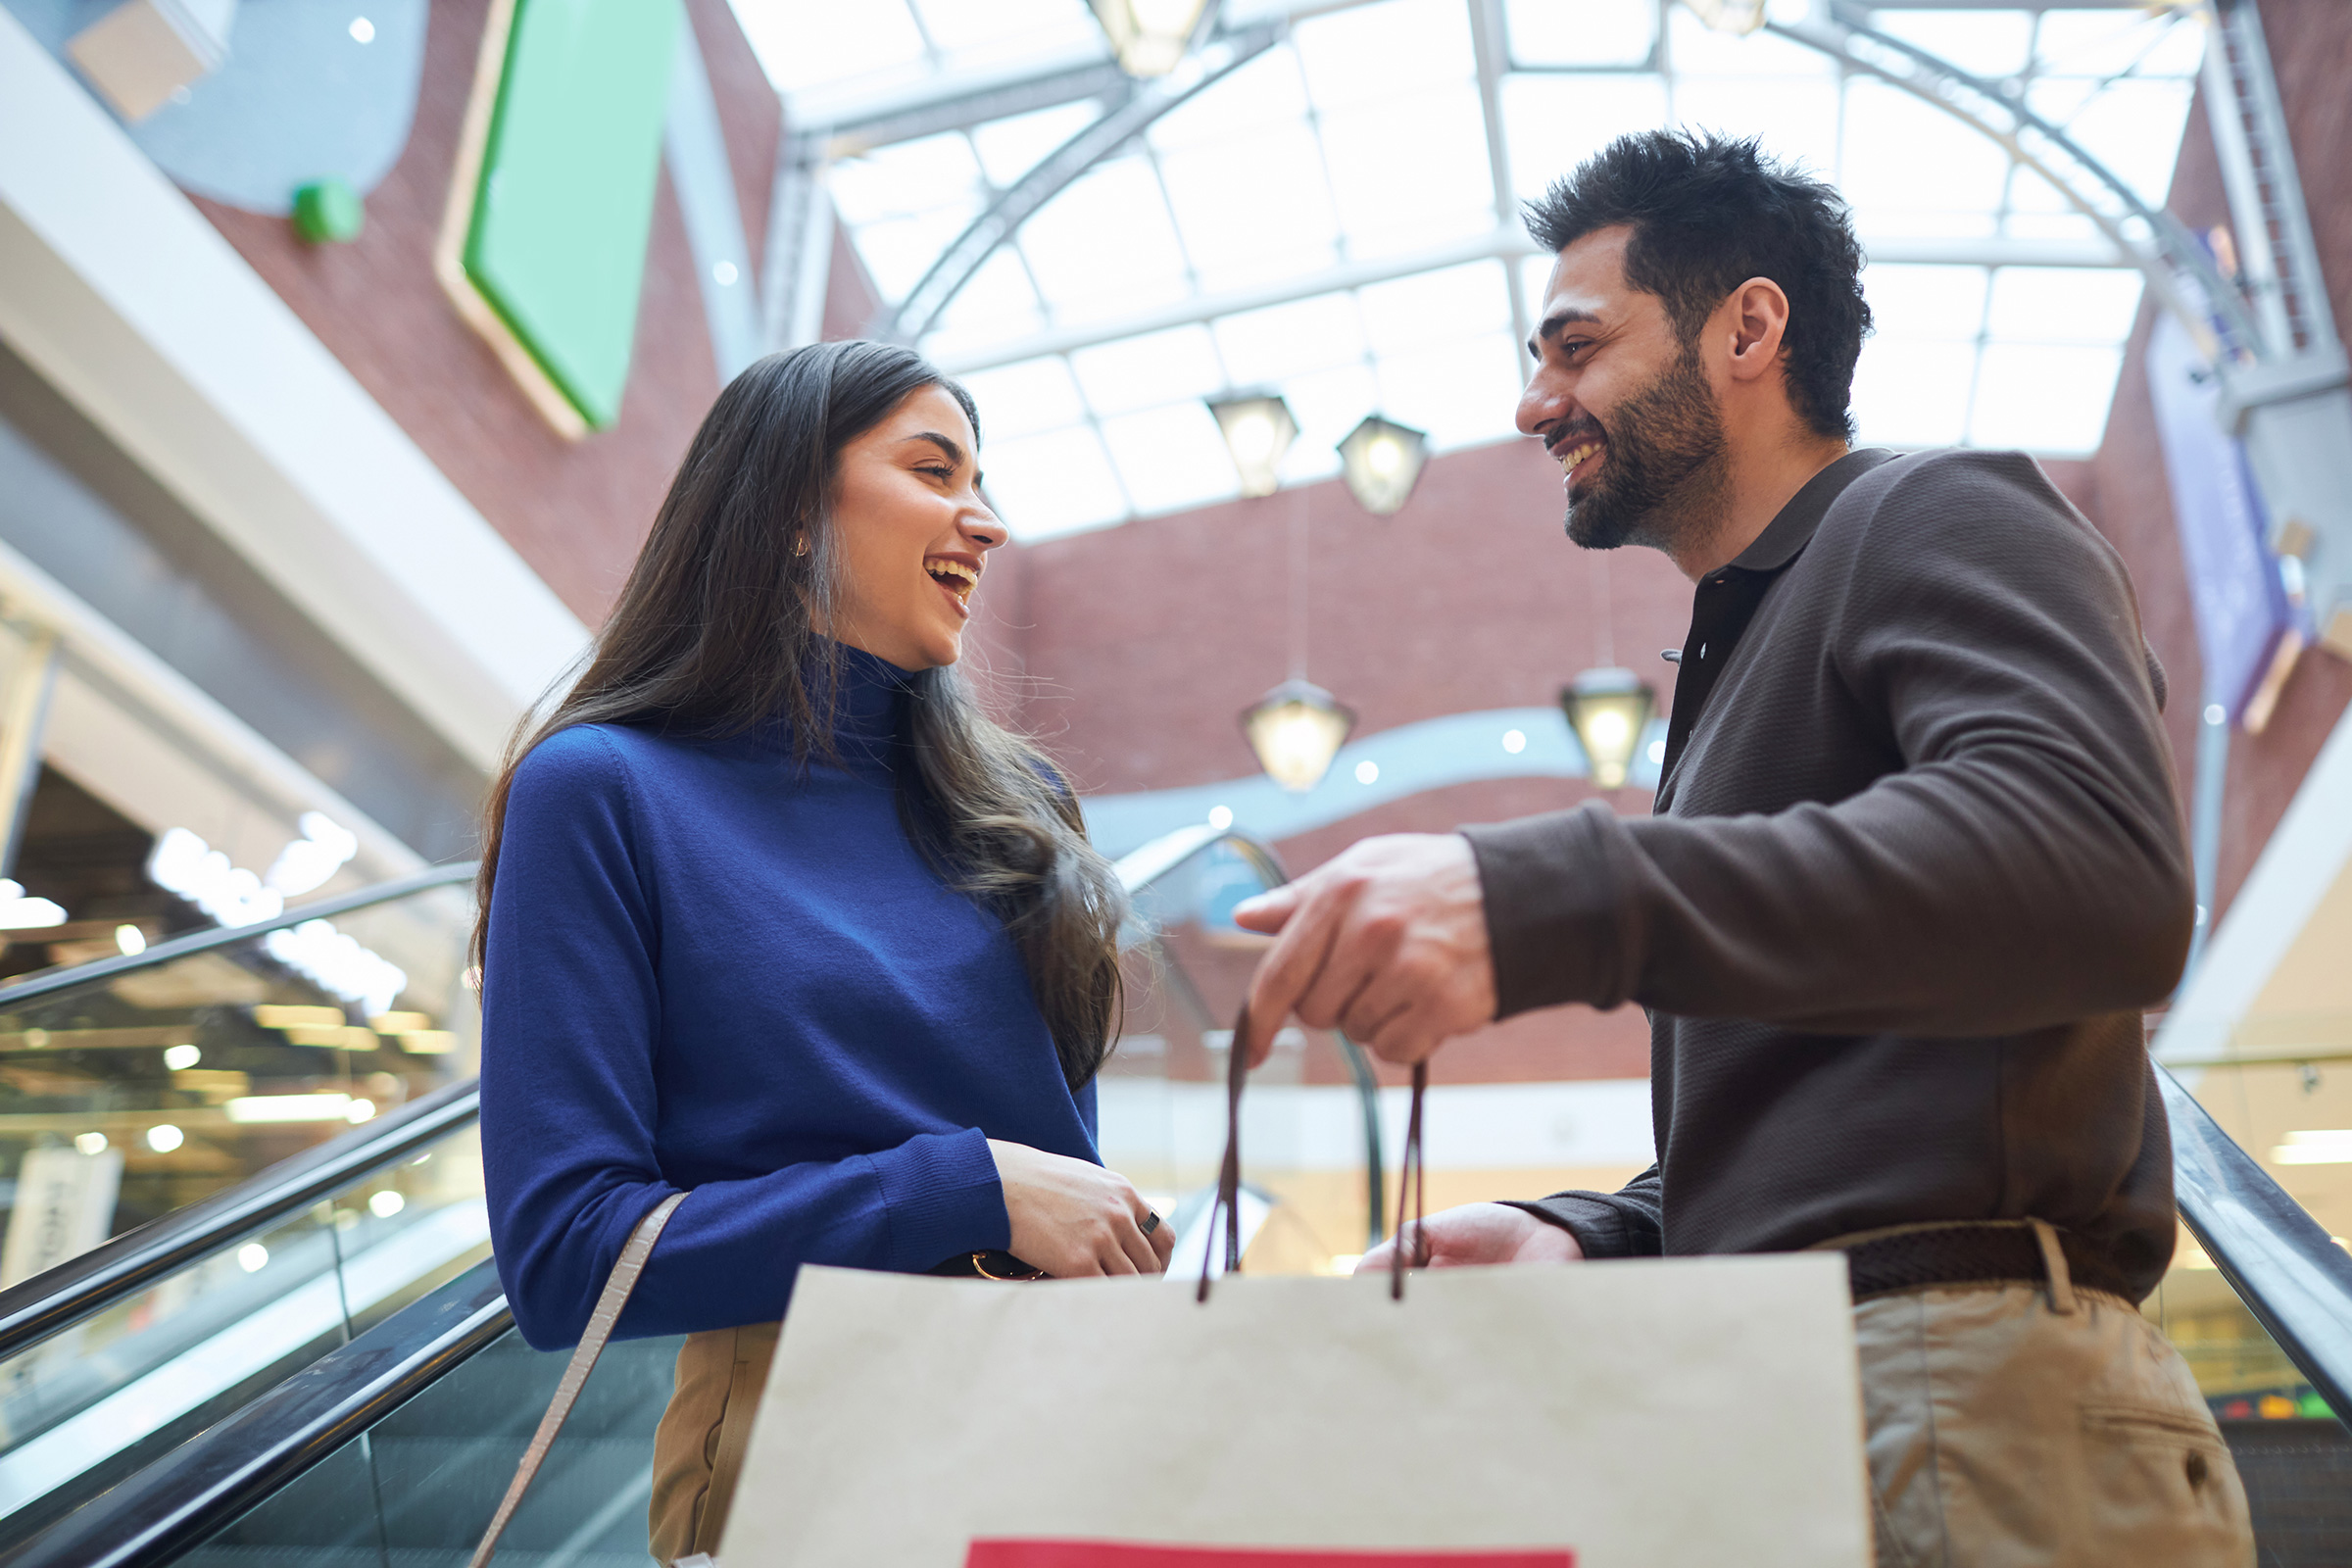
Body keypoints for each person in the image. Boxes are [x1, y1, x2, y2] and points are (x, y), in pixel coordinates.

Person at [1233, 131, 2254, 1566]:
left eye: (1577, 347)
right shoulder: (1744, 653)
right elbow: (1856, 1118)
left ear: (1750, 327)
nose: (1534, 404)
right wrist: (1602, 1235)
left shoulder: (1937, 508)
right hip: (1820, 1387)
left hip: (1958, 1391)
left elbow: (2094, 865)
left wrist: (1547, 893)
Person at [474, 340, 1173, 1562]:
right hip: (811, 1441)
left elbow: (1068, 1166)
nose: (988, 521)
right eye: (933, 466)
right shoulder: (601, 791)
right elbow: (567, 1257)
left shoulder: (1024, 811)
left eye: (984, 479)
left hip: (1079, 1427)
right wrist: (972, 1187)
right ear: (793, 510)